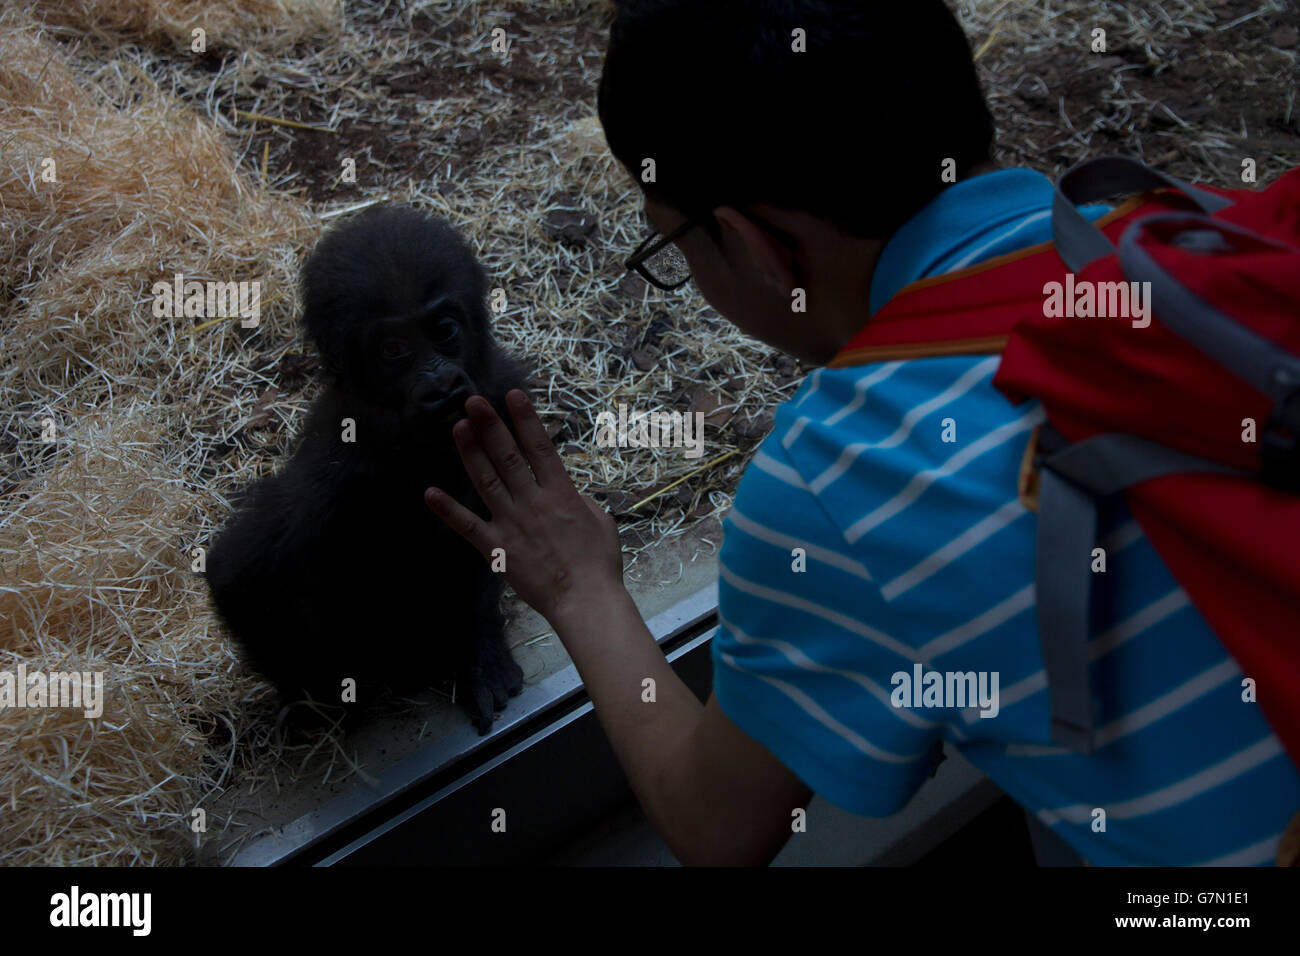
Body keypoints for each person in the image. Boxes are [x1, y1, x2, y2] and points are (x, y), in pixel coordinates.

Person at [424, 0, 1300, 865]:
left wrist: (581, 588)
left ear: (758, 245)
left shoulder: (838, 473)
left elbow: (716, 827)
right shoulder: (1199, 229)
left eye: (673, 245)